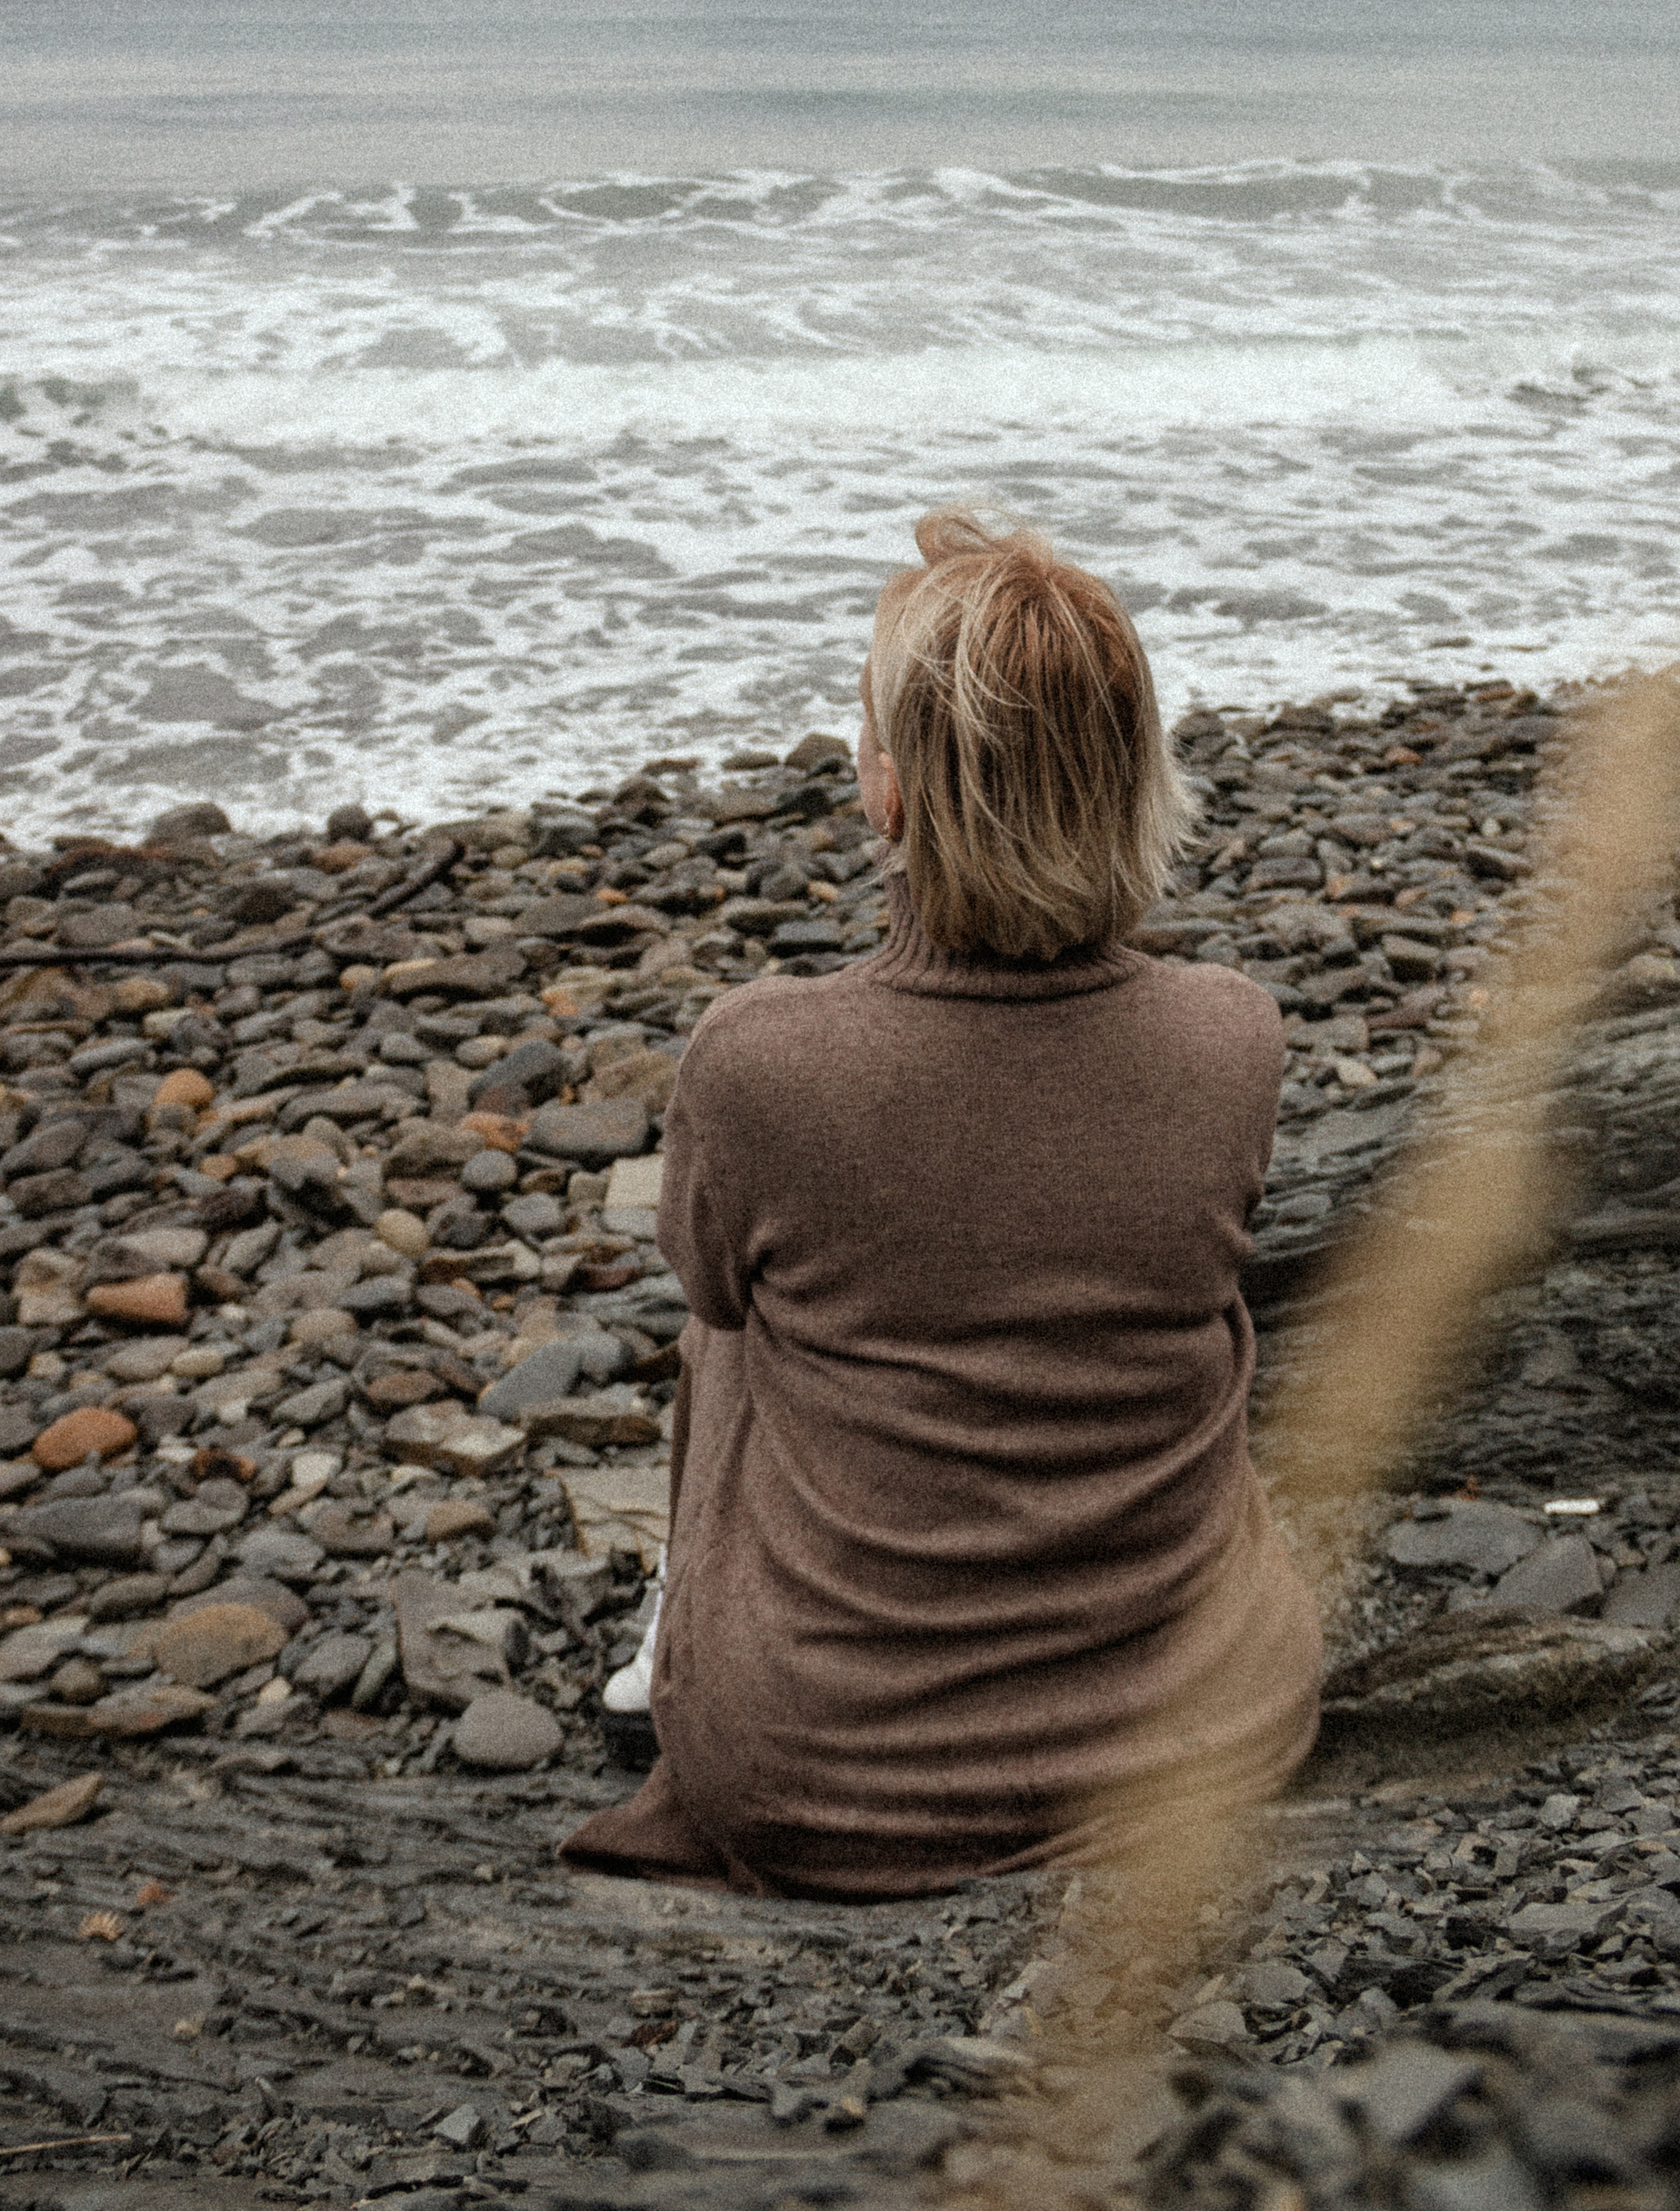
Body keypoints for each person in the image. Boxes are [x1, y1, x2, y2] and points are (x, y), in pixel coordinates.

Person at [558, 509, 1321, 1899]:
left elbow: (712, 1292)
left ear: (892, 796)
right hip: (1207, 1731)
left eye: (864, 728)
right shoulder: (1235, 1036)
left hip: (825, 1775)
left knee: (737, 1323)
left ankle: (680, 1626)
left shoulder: (763, 1060)